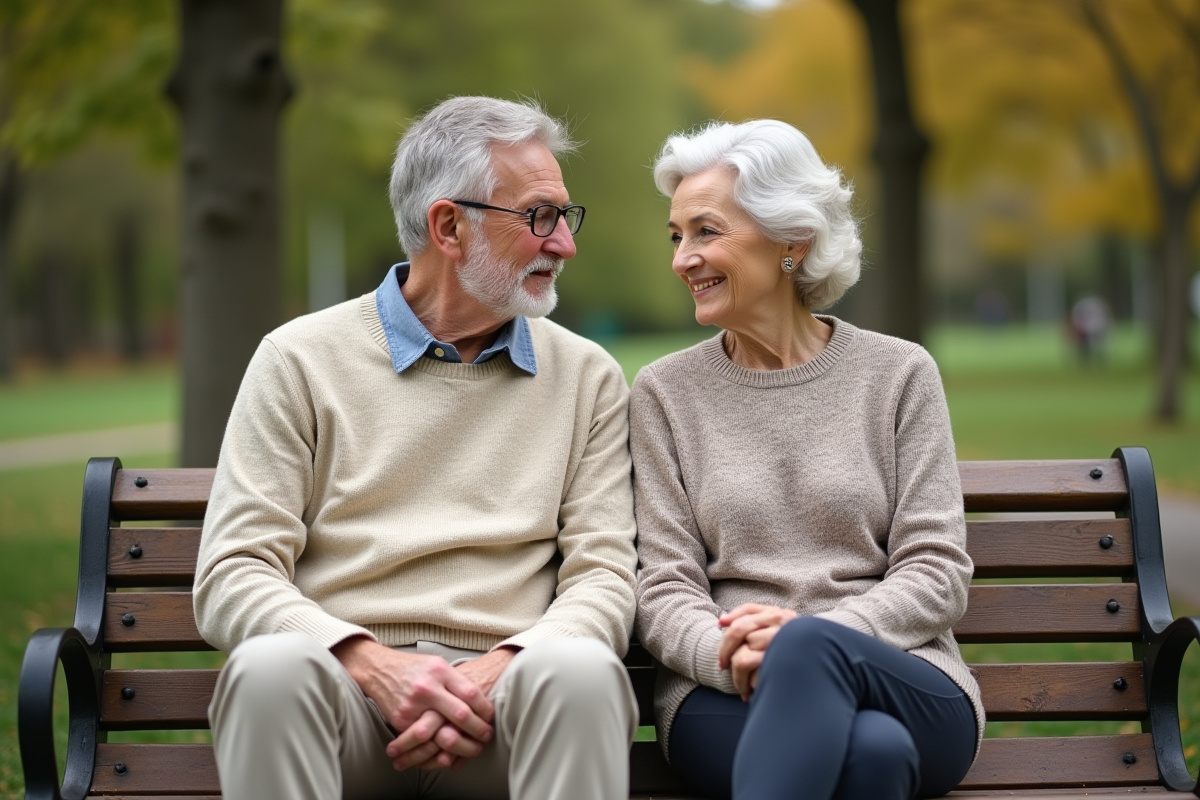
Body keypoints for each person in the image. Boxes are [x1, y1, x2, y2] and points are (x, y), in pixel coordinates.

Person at [194, 96, 639, 800]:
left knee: (582, 674)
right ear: (448, 226)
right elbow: (234, 570)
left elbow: (606, 577)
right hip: (347, 702)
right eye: (539, 217)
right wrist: (371, 664)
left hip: (506, 706)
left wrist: (498, 669)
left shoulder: (587, 378)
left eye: (564, 217)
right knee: (269, 673)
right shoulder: (299, 360)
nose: (564, 244)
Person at [631, 119, 984, 800]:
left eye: (706, 231)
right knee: (875, 755)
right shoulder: (664, 394)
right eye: (676, 237)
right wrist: (730, 653)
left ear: (792, 240)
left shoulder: (898, 374)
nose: (683, 258)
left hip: (899, 672)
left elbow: (937, 570)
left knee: (817, 660)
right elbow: (664, 587)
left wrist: (806, 640)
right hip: (720, 690)